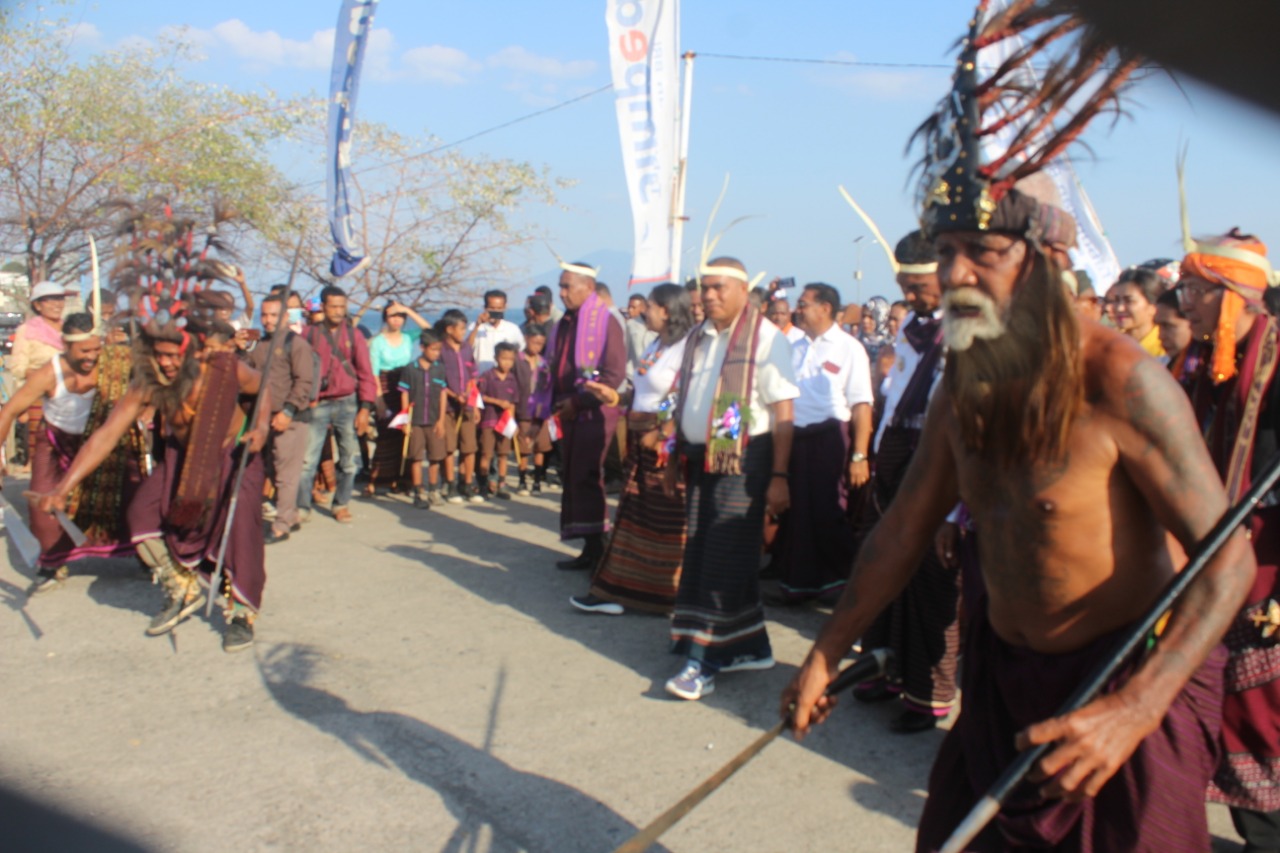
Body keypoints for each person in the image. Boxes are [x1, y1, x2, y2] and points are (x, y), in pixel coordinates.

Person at [786, 176, 1254, 849]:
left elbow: (1228, 560)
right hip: (1002, 686)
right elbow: (902, 530)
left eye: (981, 251)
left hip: (1118, 684)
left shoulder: (1122, 381)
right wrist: (826, 651)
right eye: (947, 251)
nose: (954, 273)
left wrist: (1134, 708)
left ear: (1047, 261)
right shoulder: (962, 383)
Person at [34, 301, 271, 652]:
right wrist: (62, 487)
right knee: (141, 514)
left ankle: (240, 615)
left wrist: (262, 427)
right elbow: (106, 435)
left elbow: (263, 388)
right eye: (159, 355)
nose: (166, 363)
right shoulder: (147, 383)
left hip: (234, 454)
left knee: (239, 534)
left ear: (191, 351)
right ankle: (182, 586)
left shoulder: (222, 368)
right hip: (182, 458)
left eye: (173, 355)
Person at [1178, 230, 1280, 850]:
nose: (1184, 302)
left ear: (1232, 296)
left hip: (1268, 559)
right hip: (1216, 549)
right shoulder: (1206, 364)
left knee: (1259, 708)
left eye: (1196, 289)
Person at [663, 257, 799, 700]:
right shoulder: (697, 336)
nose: (708, 295)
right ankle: (750, 647)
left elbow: (784, 412)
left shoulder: (766, 337)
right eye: (705, 287)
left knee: (723, 556)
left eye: (719, 287)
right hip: (699, 458)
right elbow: (685, 399)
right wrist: (672, 458)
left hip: (743, 461)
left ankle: (705, 659)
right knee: (705, 550)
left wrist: (779, 476)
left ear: (743, 291)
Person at [850, 230, 960, 733]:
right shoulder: (913, 327)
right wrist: (877, 456)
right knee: (882, 566)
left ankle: (927, 695)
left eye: (919, 287)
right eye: (904, 286)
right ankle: (883, 669)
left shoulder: (969, 329)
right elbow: (895, 397)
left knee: (931, 585)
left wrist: (952, 509)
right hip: (896, 455)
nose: (910, 296)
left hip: (938, 461)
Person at [571, 283, 694, 616]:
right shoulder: (656, 344)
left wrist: (663, 430)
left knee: (664, 520)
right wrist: (613, 396)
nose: (642, 311)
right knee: (633, 516)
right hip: (640, 438)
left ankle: (667, 595)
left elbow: (683, 395)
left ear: (667, 310)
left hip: (663, 445)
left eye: (649, 306)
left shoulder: (687, 347)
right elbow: (642, 392)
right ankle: (621, 590)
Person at [0, 313, 144, 593]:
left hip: (100, 442)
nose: (92, 357)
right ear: (66, 345)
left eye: (96, 349)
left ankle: (143, 555)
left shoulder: (116, 364)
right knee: (42, 503)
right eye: (84, 351)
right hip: (56, 442)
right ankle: (52, 563)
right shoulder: (48, 373)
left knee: (130, 497)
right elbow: (9, 411)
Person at [769, 283, 872, 606]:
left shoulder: (849, 348)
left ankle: (843, 584)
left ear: (825, 308)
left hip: (828, 439)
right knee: (795, 514)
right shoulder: (792, 345)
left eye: (804, 304)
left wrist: (859, 455)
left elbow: (861, 405)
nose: (797, 310)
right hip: (792, 438)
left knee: (828, 511)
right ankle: (798, 584)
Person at [548, 260, 627, 570]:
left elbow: (613, 375)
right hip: (568, 410)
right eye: (560, 286)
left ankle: (603, 553)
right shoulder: (564, 323)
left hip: (593, 411)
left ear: (589, 287)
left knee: (588, 476)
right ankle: (591, 549)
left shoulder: (606, 321)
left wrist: (578, 403)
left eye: (567, 286)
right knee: (573, 477)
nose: (561, 293)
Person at [297, 285, 377, 524]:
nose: (338, 311)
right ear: (323, 307)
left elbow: (365, 373)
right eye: (333, 307)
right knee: (307, 461)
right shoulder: (308, 335)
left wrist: (365, 408)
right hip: (317, 403)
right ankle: (302, 507)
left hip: (347, 403)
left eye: (342, 307)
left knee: (349, 461)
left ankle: (341, 504)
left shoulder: (354, 335)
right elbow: (299, 370)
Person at [246, 294, 314, 545]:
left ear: (285, 316)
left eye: (274, 315)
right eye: (264, 315)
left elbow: (304, 381)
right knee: (273, 470)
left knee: (287, 473)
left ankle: (281, 525)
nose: (268, 320)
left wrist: (288, 412)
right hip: (265, 418)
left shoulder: (296, 345)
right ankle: (291, 515)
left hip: (291, 418)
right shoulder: (259, 345)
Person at [364, 301, 427, 497]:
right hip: (385, 387)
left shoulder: (408, 337)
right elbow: (374, 372)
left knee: (405, 435)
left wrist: (407, 309)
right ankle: (377, 480)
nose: (397, 320)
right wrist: (379, 400)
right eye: (393, 316)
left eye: (400, 316)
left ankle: (402, 480)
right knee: (386, 435)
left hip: (406, 387)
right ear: (385, 318)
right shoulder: (377, 342)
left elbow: (429, 330)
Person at [435, 309, 481, 504]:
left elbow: (473, 376)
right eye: (461, 328)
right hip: (448, 407)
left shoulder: (467, 349)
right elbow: (438, 381)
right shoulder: (440, 350)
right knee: (449, 447)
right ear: (449, 329)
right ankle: (450, 484)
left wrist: (474, 404)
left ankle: (467, 483)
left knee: (469, 447)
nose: (464, 332)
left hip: (467, 406)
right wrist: (455, 396)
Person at [398, 329, 448, 508]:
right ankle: (418, 492)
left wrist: (441, 421)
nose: (436, 353)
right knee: (416, 457)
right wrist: (405, 420)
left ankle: (433, 490)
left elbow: (443, 394)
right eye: (433, 349)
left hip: (434, 421)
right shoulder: (410, 369)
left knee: (435, 457)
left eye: (439, 350)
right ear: (422, 348)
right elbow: (404, 393)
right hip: (416, 421)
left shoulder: (440, 369)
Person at [475, 342, 520, 501]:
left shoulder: (512, 379)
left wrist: (513, 424)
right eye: (504, 358)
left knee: (503, 454)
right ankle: (483, 484)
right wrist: (498, 402)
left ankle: (502, 483)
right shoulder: (487, 376)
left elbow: (513, 402)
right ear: (496, 358)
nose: (507, 362)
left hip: (505, 423)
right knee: (486, 453)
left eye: (511, 359)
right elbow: (480, 396)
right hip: (489, 420)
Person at [514, 323, 553, 496]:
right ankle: (522, 480)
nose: (538, 347)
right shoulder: (517, 360)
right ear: (526, 339)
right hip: (523, 409)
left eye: (541, 344)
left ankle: (537, 480)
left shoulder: (544, 363)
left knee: (540, 446)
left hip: (541, 410)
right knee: (523, 447)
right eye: (535, 342)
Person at [1104, 266, 1166, 358]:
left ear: (1153, 306)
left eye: (1129, 301)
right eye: (1116, 300)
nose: (1119, 308)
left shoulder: (1165, 349)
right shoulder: (1107, 343)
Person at [468, 289, 526, 375]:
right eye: (492, 308)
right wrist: (477, 326)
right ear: (485, 308)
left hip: (504, 378)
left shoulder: (512, 329)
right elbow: (466, 348)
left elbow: (520, 352)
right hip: (481, 376)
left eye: (499, 308)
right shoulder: (475, 327)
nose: (495, 312)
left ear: (505, 308)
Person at [1153, 287, 1193, 374]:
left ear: (1192, 321)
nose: (1161, 336)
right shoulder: (1156, 369)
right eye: (1159, 326)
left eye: (1167, 326)